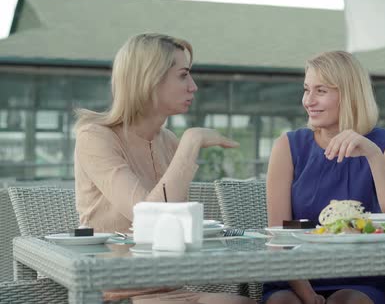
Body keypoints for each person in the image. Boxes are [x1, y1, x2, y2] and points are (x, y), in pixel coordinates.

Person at [74, 33, 254, 304]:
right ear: (150, 79)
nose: (193, 86)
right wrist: (191, 143)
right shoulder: (95, 137)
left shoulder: (168, 140)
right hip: (115, 295)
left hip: (171, 290)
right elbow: (151, 220)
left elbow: (174, 227)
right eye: (183, 76)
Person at [264, 51, 385, 304]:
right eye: (306, 89)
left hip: (359, 277)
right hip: (294, 276)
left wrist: (372, 154)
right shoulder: (289, 146)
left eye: (320, 91)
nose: (308, 101)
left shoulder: (383, 144)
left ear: (350, 94)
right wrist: (308, 295)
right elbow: (280, 234)